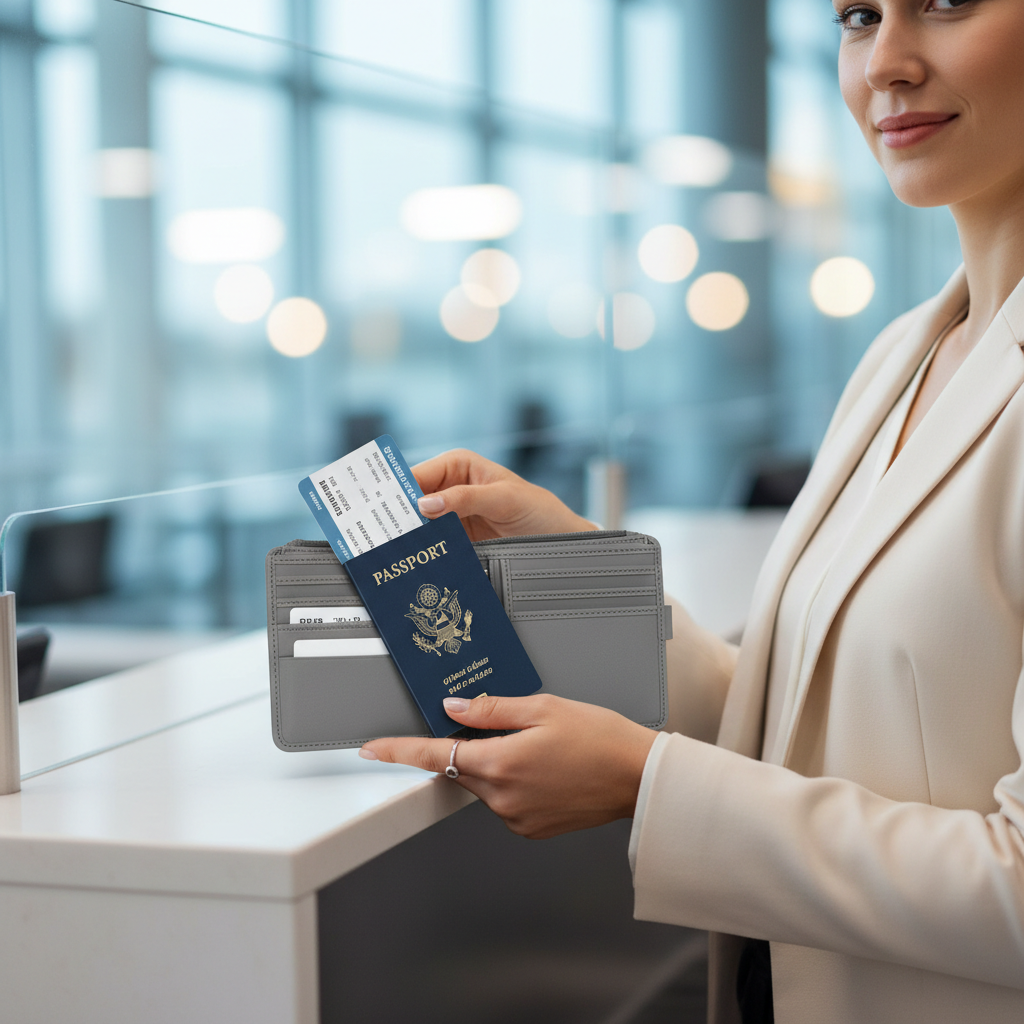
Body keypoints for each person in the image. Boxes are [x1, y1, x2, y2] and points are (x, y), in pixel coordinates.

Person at [357, 2, 1024, 1020]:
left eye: (943, 3)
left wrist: (648, 785)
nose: (884, 63)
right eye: (855, 15)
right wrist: (574, 560)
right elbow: (802, 724)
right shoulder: (903, 355)